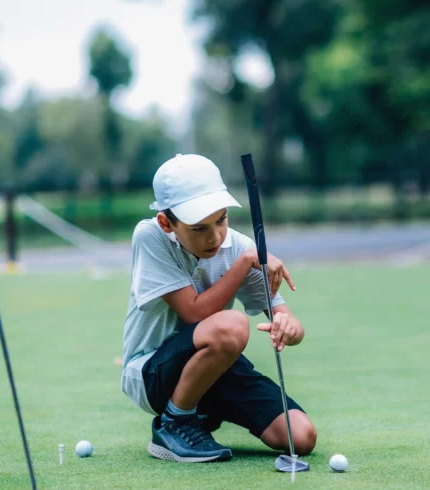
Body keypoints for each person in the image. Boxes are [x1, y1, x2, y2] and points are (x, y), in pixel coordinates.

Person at [120, 153, 317, 463]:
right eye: (199, 228)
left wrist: (290, 329)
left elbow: (287, 319)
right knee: (233, 325)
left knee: (301, 437)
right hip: (152, 374)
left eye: (221, 219)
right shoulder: (150, 236)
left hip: (215, 368)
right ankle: (175, 423)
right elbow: (196, 313)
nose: (215, 236)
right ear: (166, 222)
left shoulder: (240, 248)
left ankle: (202, 412)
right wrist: (242, 265)